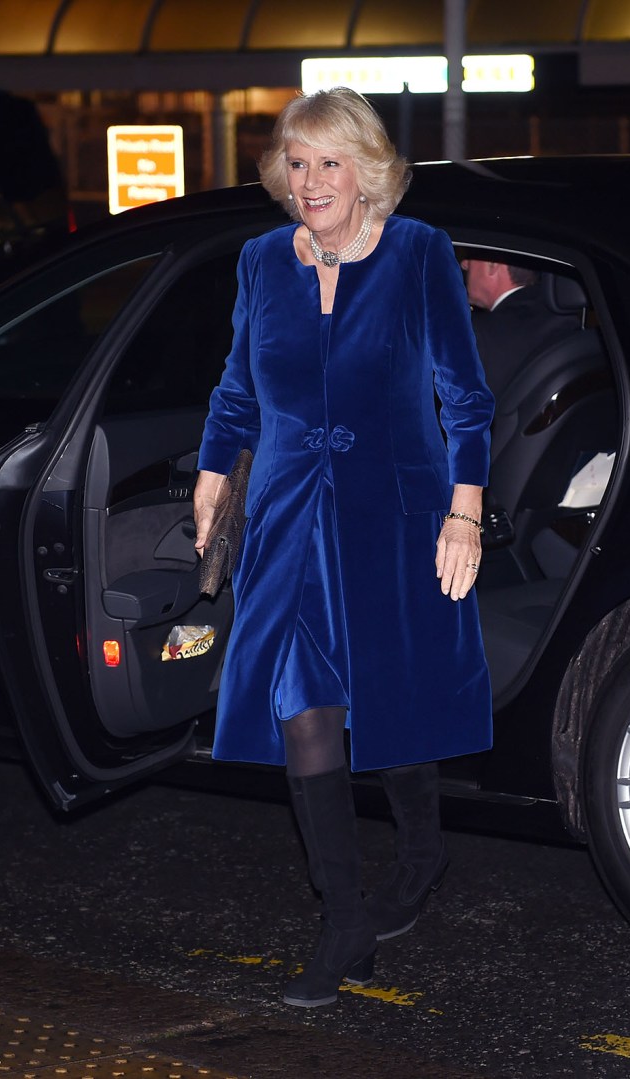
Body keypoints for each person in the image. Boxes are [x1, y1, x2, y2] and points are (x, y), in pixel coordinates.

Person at [193, 87, 494, 1009]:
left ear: (368, 171)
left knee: (390, 697)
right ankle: (345, 914)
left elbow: (467, 396)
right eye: (298, 161)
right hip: (287, 519)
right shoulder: (258, 262)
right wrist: (212, 473)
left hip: (396, 515)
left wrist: (464, 511)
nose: (313, 180)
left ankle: (422, 845)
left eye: (331, 162)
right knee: (302, 706)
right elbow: (239, 389)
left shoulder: (416, 253)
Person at [460, 258, 582, 400]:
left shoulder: (475, 334)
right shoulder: (568, 326)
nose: (464, 264)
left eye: (472, 258)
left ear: (493, 265)